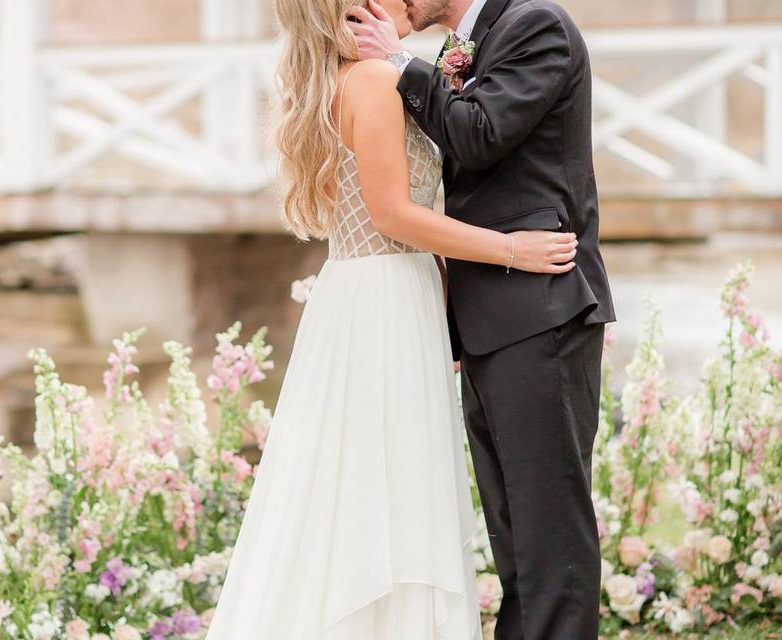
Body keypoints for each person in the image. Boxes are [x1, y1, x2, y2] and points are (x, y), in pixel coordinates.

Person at [204, 0, 581, 638]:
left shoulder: (337, 81)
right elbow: (394, 216)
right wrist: (513, 249)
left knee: (356, 480)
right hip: (384, 295)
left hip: (370, 292)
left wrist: (448, 306)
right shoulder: (376, 79)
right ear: (346, 13)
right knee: (393, 486)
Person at [347, 0, 616, 638]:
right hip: (490, 316)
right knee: (514, 528)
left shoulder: (535, 24)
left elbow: (479, 133)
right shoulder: (455, 50)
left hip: (541, 305)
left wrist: (395, 62)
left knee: (550, 532)